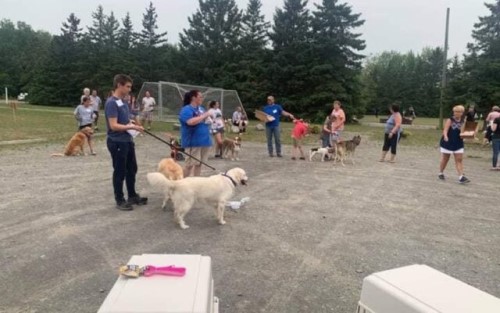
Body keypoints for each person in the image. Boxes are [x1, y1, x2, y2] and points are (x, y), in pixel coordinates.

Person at [105, 74, 147, 211]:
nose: (130, 89)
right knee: (120, 171)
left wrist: (135, 125)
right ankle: (120, 199)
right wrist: (132, 127)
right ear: (119, 85)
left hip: (127, 140)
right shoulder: (111, 102)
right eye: (127, 86)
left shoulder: (124, 102)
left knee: (132, 168)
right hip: (116, 141)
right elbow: (113, 125)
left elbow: (126, 120)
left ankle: (132, 195)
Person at [179, 90, 212, 177]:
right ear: (193, 98)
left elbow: (204, 119)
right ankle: (180, 183)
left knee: (199, 164)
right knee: (189, 165)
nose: (202, 98)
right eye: (200, 96)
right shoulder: (186, 109)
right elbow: (190, 122)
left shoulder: (201, 109)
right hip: (193, 142)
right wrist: (204, 116)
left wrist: (208, 119)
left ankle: (196, 183)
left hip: (204, 141)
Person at [438, 105, 470, 183]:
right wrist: (445, 136)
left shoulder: (463, 121)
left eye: (459, 112)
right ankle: (441, 172)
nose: (456, 113)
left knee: (459, 160)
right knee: (445, 159)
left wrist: (467, 136)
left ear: (462, 113)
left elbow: (463, 132)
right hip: (448, 141)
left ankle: (461, 177)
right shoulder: (450, 120)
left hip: (458, 142)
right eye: (455, 111)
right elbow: (445, 130)